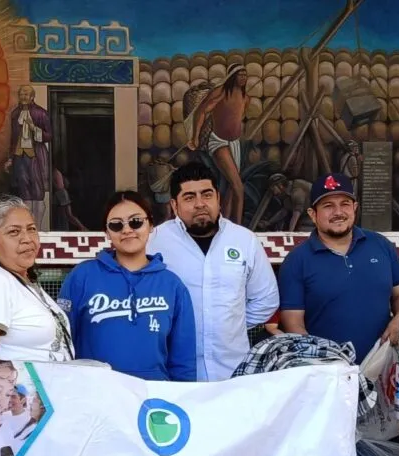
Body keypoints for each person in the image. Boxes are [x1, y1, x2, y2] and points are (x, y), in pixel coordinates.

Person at [148, 162, 279, 381]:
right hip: (174, 373)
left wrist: (230, 324)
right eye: (189, 197)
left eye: (206, 195)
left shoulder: (244, 240)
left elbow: (266, 299)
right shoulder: (155, 241)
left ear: (218, 198)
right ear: (174, 205)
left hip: (233, 373)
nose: (200, 204)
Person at [58, 190, 196, 381]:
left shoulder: (172, 285)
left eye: (136, 222)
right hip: (94, 396)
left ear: (151, 225)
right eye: (116, 225)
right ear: (107, 232)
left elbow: (184, 359)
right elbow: (61, 344)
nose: (127, 230)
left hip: (152, 399)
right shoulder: (82, 276)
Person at [278, 173, 399, 362]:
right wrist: (321, 362)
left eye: (345, 204)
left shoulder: (381, 245)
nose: (338, 212)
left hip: (383, 366)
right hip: (328, 373)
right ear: (312, 214)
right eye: (328, 206)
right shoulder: (297, 260)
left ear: (355, 208)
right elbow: (293, 323)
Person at [0, 196, 74, 375]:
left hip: (48, 397)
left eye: (32, 229)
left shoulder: (24, 281)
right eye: (14, 232)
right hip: (16, 400)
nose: (27, 239)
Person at [187, 64, 250, 224]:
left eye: (245, 75)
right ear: (232, 76)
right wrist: (195, 136)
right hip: (218, 142)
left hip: (234, 143)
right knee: (238, 188)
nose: (243, 77)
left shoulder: (245, 97)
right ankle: (239, 226)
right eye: (239, 74)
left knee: (230, 187)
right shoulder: (221, 92)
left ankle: (226, 223)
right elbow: (202, 110)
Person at [4, 86, 52, 229]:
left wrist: (34, 128)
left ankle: (38, 226)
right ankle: (26, 224)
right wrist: (10, 159)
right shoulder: (15, 114)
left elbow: (49, 136)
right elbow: (13, 139)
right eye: (21, 94)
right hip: (20, 156)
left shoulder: (41, 113)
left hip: (36, 156)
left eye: (26, 94)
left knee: (37, 191)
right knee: (23, 188)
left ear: (32, 96)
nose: (23, 96)